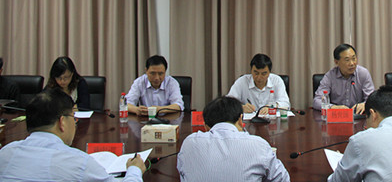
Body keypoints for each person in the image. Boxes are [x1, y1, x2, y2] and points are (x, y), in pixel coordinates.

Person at [0, 88, 145, 181]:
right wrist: (135, 169)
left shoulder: (5, 153)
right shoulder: (79, 162)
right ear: (62, 122)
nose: (74, 123)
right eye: (73, 117)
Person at [177, 95, 290, 182]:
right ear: (241, 120)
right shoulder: (258, 145)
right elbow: (282, 179)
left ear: (206, 126)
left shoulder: (189, 143)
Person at [313, 43, 375, 115]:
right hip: (338, 116)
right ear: (336, 62)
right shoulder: (330, 76)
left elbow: (372, 99)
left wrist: (365, 104)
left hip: (359, 115)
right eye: (347, 60)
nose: (352, 63)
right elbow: (317, 101)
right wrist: (333, 107)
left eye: (354, 59)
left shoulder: (363, 73)